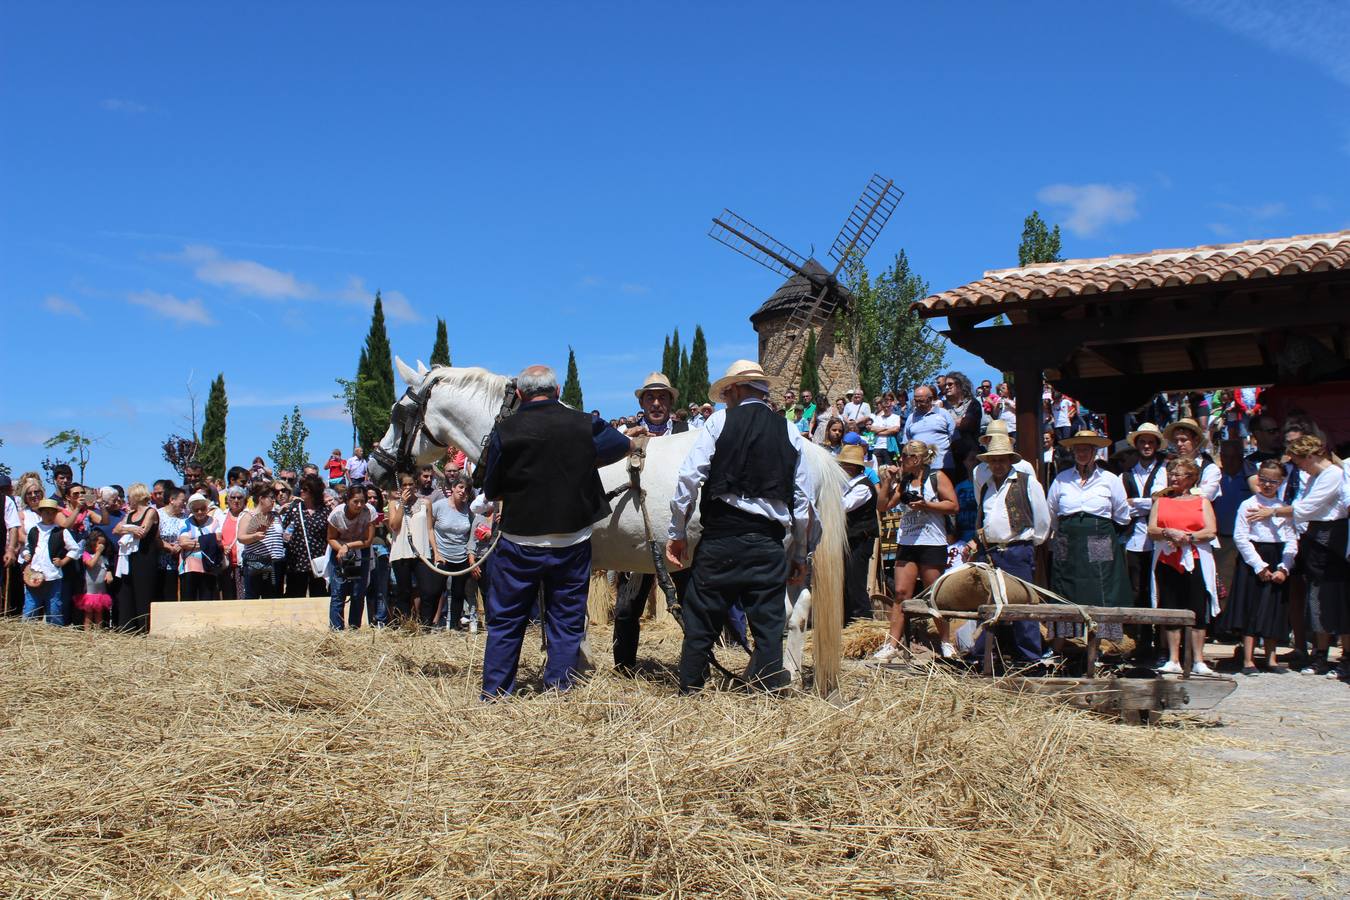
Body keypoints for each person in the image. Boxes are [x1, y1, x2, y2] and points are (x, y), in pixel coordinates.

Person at [481, 364, 630, 697]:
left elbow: (491, 489)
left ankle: (495, 691)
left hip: (520, 539)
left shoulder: (504, 430)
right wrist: (584, 459)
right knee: (565, 618)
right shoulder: (583, 423)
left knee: (506, 620)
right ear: (558, 391)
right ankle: (559, 687)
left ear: (519, 394)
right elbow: (620, 444)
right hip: (570, 539)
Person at [666, 359, 811, 693]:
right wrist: (800, 553)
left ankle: (690, 691)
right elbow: (803, 502)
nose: (724, 399)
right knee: (769, 627)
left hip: (721, 539)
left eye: (727, 393)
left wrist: (677, 534)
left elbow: (688, 480)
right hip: (768, 543)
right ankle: (767, 692)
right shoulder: (790, 431)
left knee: (701, 620)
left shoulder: (719, 422)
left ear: (735, 388)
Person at [1244, 434, 1349, 677]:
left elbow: (1307, 507)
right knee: (1316, 597)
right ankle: (1320, 654)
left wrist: (1273, 512)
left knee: (1337, 599)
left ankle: (1346, 657)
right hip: (1313, 538)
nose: (1299, 466)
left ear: (1311, 456)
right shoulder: (1315, 476)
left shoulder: (1333, 474)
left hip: (1332, 538)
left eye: (1300, 460)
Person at [614, 372, 690, 672]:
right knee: (626, 607)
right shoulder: (625, 433)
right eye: (650, 397)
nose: (656, 403)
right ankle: (623, 667)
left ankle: (694, 666)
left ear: (671, 402)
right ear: (642, 402)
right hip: (641, 530)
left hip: (680, 531)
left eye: (662, 398)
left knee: (690, 602)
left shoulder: (689, 432)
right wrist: (622, 443)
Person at [962, 433, 1052, 665]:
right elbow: (985, 519)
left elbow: (1042, 519)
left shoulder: (1027, 481)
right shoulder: (986, 486)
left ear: (1010, 460)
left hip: (1017, 550)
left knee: (1022, 606)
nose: (997, 465)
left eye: (1002, 460)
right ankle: (984, 654)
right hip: (991, 552)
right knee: (990, 605)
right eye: (993, 461)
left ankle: (1030, 658)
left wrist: (1031, 543)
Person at [1046, 431, 1132, 645]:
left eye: (1086, 449)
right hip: (1066, 537)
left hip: (1099, 536)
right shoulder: (1062, 479)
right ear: (1073, 451)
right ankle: (1067, 641)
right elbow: (1051, 513)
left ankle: (1107, 641)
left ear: (1095, 452)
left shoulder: (1109, 479)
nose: (1082, 453)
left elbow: (1122, 515)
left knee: (1103, 586)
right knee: (1065, 585)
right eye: (1078, 449)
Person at [874, 440, 957, 660]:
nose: (900, 460)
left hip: (932, 542)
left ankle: (946, 642)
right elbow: (883, 506)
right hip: (908, 541)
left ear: (916, 459)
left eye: (904, 456)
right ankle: (892, 644)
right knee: (901, 593)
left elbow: (953, 505)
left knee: (934, 593)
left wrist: (926, 505)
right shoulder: (904, 482)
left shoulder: (936, 477)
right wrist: (887, 482)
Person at [1214, 459, 1297, 675]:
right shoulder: (1248, 504)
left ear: (1280, 482)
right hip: (1253, 559)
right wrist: (1259, 565)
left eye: (1273, 481)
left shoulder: (1283, 508)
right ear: (1258, 479)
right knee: (1250, 606)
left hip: (1277, 555)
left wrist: (1284, 567)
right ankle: (1248, 659)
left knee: (1273, 607)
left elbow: (1291, 539)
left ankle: (1271, 657)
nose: (1268, 485)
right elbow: (1240, 538)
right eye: (1264, 480)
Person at [1148, 458, 1219, 675]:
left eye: (1179, 474)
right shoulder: (1161, 501)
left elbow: (1210, 531)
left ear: (1191, 478)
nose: (1174, 478)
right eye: (1172, 474)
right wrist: (1169, 532)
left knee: (1196, 605)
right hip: (1167, 560)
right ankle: (1173, 658)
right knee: (1171, 605)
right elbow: (1152, 529)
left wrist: (1187, 537)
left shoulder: (1202, 502)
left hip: (1195, 559)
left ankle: (1198, 659)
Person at [1121, 423, 1169, 658]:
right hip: (1134, 539)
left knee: (1158, 589)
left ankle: (1161, 644)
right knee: (1136, 589)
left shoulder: (1164, 470)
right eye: (1143, 442)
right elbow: (1122, 506)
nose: (1147, 446)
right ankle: (1140, 641)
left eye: (1151, 442)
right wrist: (1147, 502)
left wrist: (1138, 503)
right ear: (1137, 445)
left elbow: (1162, 500)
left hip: (1160, 538)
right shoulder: (1127, 474)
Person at [835, 444, 881, 626]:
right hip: (850, 539)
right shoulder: (848, 485)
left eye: (845, 465)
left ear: (854, 467)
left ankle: (862, 621)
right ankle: (849, 620)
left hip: (860, 539)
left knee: (855, 582)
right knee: (846, 581)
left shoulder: (863, 487)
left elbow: (843, 506)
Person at [19, 498, 79, 624]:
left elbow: (74, 549)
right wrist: (26, 554)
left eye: (52, 513)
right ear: (41, 513)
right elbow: (27, 546)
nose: (49, 515)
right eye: (46, 512)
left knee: (54, 607)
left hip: (52, 575)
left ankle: (55, 633)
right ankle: (26, 632)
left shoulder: (61, 531)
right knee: (30, 606)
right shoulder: (34, 530)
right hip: (34, 574)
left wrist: (63, 561)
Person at [428, 474, 474, 631]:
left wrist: (470, 556)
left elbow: (471, 535)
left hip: (461, 556)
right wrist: (435, 552)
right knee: (434, 591)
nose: (463, 492)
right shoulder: (439, 506)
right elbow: (429, 528)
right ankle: (429, 625)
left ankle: (454, 627)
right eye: (460, 487)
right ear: (453, 488)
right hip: (442, 555)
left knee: (458, 593)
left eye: (466, 490)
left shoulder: (469, 510)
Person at [326, 486, 375, 630]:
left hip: (361, 549)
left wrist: (348, 546)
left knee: (358, 592)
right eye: (355, 501)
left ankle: (354, 628)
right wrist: (342, 548)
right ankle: (336, 629)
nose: (359, 505)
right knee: (338, 591)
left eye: (362, 501)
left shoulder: (369, 511)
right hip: (339, 551)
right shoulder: (336, 514)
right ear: (347, 500)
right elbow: (331, 538)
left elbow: (368, 540)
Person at [113, 483, 159, 631]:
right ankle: (127, 627)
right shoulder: (129, 515)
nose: (127, 500)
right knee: (127, 590)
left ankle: (144, 627)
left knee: (143, 592)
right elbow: (116, 529)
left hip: (145, 557)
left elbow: (143, 532)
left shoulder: (150, 512)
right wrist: (132, 528)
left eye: (129, 497)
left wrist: (126, 529)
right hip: (129, 557)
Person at [1212, 438, 1253, 593]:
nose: (1230, 461)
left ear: (1241, 457)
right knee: (1223, 582)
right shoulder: (1216, 478)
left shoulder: (1250, 478)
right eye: (1226, 457)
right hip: (1222, 538)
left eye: (1234, 457)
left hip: (1245, 538)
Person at [386, 473, 425, 627]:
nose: (408, 488)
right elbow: (394, 526)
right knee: (404, 590)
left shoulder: (424, 503)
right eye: (404, 485)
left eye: (411, 484)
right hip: (401, 552)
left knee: (421, 590)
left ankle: (419, 621)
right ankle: (404, 623)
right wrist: (402, 503)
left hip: (419, 552)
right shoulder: (392, 504)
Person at [281, 474, 329, 598]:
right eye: (301, 488)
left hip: (318, 561)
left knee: (319, 595)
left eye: (305, 489)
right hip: (296, 562)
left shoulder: (325, 511)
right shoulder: (294, 509)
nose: (301, 490)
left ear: (314, 491)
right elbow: (284, 531)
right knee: (294, 596)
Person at [238, 482, 286, 599]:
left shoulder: (275, 515)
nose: (274, 501)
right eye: (271, 498)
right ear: (261, 499)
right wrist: (255, 536)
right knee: (253, 597)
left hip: (276, 564)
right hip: (256, 564)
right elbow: (240, 537)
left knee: (274, 598)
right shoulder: (249, 515)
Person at [177, 493, 223, 601]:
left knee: (207, 602)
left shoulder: (214, 522)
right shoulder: (185, 522)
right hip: (188, 568)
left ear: (206, 508)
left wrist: (193, 541)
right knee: (188, 602)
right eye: (196, 510)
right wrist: (207, 541)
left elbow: (218, 539)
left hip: (208, 567)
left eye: (202, 509)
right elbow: (183, 543)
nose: (200, 512)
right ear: (191, 511)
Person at [1162, 418, 1221, 501]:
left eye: (1183, 440)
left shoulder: (1210, 468)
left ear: (1196, 440)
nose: (1179, 444)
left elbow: (1206, 495)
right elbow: (1158, 491)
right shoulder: (1166, 467)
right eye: (1176, 440)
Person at [903, 384, 957, 471]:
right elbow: (907, 443)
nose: (918, 404)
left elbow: (955, 439)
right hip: (919, 469)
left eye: (921, 401)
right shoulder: (911, 418)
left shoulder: (943, 414)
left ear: (930, 399)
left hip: (943, 466)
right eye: (916, 401)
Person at [75, 529, 115, 628]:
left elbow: (106, 568)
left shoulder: (104, 557)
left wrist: (109, 573)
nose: (102, 545)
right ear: (92, 542)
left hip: (100, 590)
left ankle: (99, 633)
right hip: (90, 591)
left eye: (103, 543)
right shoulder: (87, 555)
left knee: (99, 615)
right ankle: (87, 635)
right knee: (88, 615)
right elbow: (91, 564)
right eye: (99, 543)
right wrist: (98, 553)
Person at [365, 485, 390, 627]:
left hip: (382, 551)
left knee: (381, 589)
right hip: (364, 552)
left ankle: (381, 620)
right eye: (369, 497)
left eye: (375, 497)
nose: (373, 500)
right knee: (366, 588)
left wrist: (387, 524)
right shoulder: (359, 514)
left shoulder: (384, 513)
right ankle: (368, 620)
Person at [157, 487, 187, 603]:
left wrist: (181, 545)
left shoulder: (185, 517)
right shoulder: (159, 515)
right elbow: (155, 538)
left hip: (181, 563)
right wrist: (170, 548)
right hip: (162, 563)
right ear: (172, 500)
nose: (184, 504)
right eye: (182, 500)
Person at [219, 485, 247, 599]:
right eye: (233, 497)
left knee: (243, 597)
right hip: (226, 565)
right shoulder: (221, 516)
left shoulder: (249, 515)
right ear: (228, 500)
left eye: (239, 498)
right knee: (227, 597)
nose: (236, 500)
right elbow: (216, 536)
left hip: (243, 564)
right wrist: (222, 546)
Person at [870, 395, 903, 467]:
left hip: (889, 448)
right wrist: (887, 428)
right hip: (877, 447)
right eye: (884, 407)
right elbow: (872, 429)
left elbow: (895, 429)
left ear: (891, 407)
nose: (886, 409)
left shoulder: (896, 417)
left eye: (888, 407)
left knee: (890, 469)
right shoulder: (878, 418)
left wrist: (879, 432)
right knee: (877, 470)